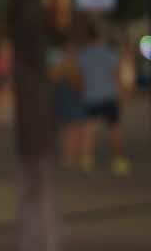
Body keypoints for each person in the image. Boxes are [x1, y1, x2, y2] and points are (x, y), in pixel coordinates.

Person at [75, 23, 129, 175]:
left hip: (90, 96)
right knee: (115, 129)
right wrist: (122, 95)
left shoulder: (82, 55)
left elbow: (79, 78)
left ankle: (86, 160)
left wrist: (81, 92)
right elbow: (116, 75)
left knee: (89, 129)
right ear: (100, 38)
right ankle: (119, 161)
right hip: (109, 95)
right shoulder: (109, 53)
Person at [47, 40, 85, 169]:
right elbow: (78, 85)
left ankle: (68, 157)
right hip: (73, 100)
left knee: (66, 130)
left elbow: (52, 80)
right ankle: (72, 157)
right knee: (74, 130)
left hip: (61, 98)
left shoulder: (57, 65)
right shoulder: (74, 67)